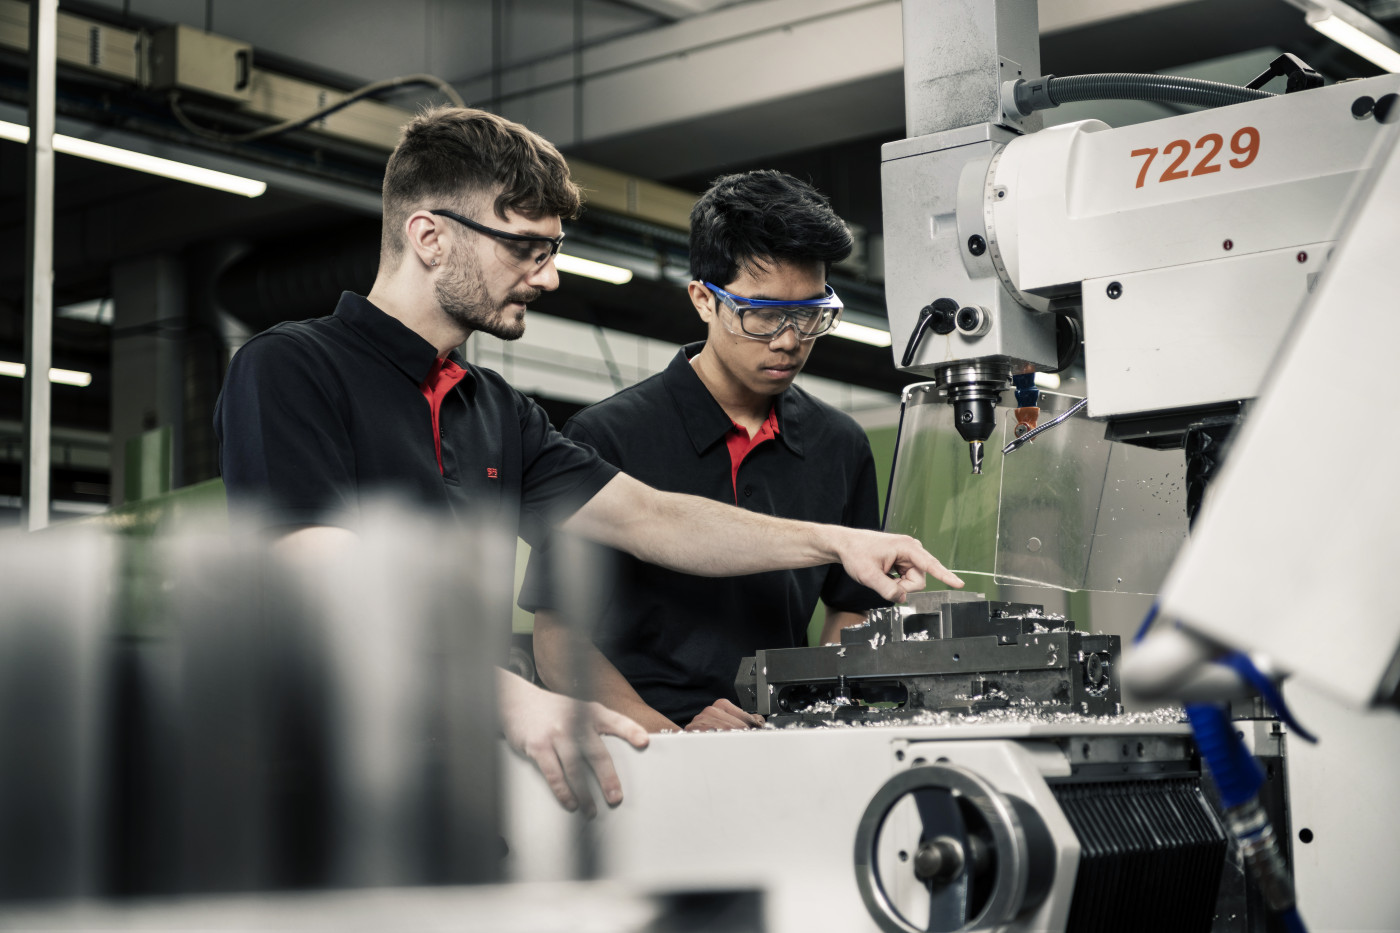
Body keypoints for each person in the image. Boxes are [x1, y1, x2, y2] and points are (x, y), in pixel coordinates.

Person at [214, 107, 962, 818]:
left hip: (455, 792)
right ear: (430, 236)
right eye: (525, 249)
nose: (547, 278)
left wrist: (835, 541)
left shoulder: (495, 409)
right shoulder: (291, 368)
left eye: (553, 252)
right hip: (318, 786)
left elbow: (652, 517)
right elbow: (322, 576)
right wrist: (514, 697)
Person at [520, 171, 887, 733]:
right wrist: (670, 740)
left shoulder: (840, 445)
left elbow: (850, 605)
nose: (790, 339)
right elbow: (557, 640)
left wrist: (807, 714)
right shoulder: (609, 436)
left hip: (784, 748)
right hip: (642, 752)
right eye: (763, 314)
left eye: (811, 313)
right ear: (703, 300)